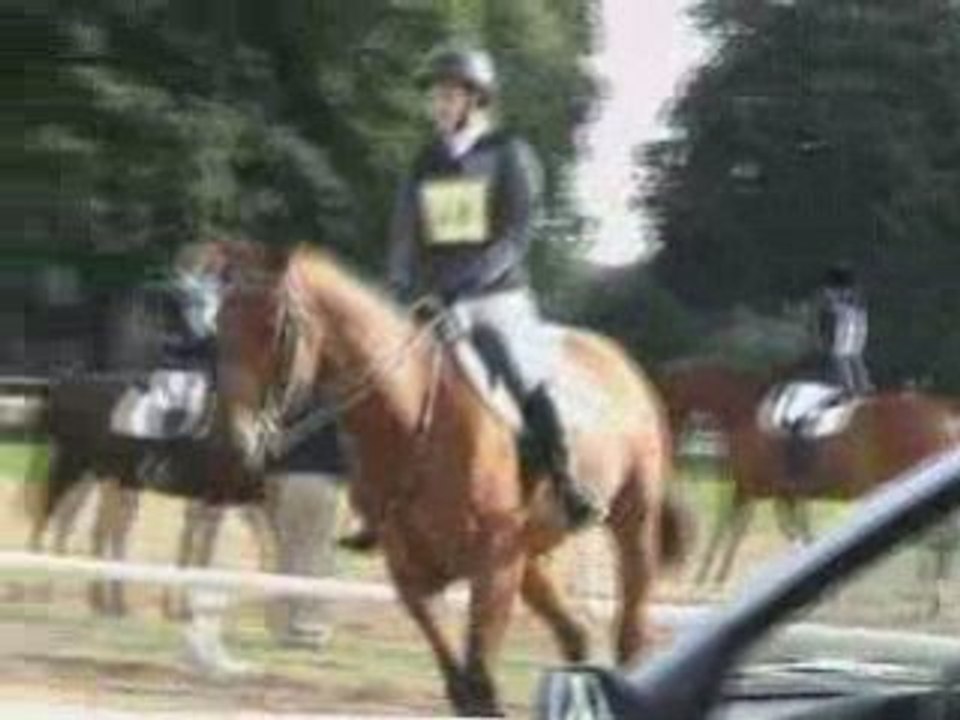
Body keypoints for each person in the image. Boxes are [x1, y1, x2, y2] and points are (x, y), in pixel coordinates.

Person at [340, 46, 599, 551]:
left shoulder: (508, 153)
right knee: (389, 383)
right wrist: (400, 282)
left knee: (525, 375)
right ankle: (378, 507)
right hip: (435, 297)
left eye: (448, 94)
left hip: (496, 295)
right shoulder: (425, 160)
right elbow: (404, 232)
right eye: (435, 95)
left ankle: (567, 486)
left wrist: (472, 281)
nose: (437, 103)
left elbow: (517, 233)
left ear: (475, 99)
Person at [813, 263, 872, 396]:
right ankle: (864, 387)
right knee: (854, 356)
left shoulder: (828, 293)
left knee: (839, 356)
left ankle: (848, 390)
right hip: (859, 320)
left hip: (843, 321)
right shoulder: (856, 294)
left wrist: (822, 336)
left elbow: (825, 311)